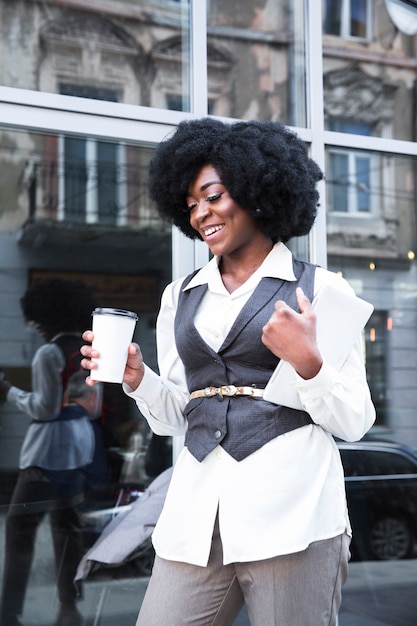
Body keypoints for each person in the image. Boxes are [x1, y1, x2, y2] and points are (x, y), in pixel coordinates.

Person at [81, 118, 376, 626]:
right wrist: (138, 379)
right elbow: (182, 414)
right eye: (191, 203)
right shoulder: (181, 295)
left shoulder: (323, 290)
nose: (201, 214)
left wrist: (308, 361)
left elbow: (355, 420)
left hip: (293, 514)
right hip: (196, 516)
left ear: (258, 193)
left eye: (213, 196)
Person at [0, 278, 100, 626]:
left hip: (47, 451)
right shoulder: (90, 350)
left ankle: (9, 613)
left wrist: (8, 390)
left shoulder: (48, 353)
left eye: (38, 320)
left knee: (19, 528)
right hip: (79, 444)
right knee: (67, 529)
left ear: (46, 318)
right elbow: (94, 407)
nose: (36, 327)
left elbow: (44, 408)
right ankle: (69, 608)